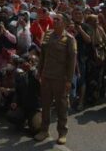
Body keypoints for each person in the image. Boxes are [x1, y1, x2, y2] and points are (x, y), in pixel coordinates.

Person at [35, 13, 77, 145]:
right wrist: (39, 71)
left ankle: (62, 132)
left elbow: (72, 62)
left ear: (64, 23)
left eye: (58, 20)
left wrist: (69, 80)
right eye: (55, 19)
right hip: (47, 76)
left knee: (61, 106)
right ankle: (44, 130)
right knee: (45, 105)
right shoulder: (48, 34)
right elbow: (43, 55)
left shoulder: (69, 39)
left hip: (60, 78)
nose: (55, 21)